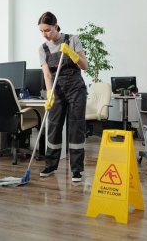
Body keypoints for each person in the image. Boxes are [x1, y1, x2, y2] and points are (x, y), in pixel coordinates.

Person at [38, 11, 88, 182]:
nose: (45, 35)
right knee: (53, 127)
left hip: (76, 89)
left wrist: (73, 55)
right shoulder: (43, 48)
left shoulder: (72, 40)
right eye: (42, 31)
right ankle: (50, 165)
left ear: (55, 25)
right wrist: (50, 94)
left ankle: (76, 170)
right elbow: (47, 75)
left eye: (47, 30)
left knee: (76, 127)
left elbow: (85, 66)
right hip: (57, 90)